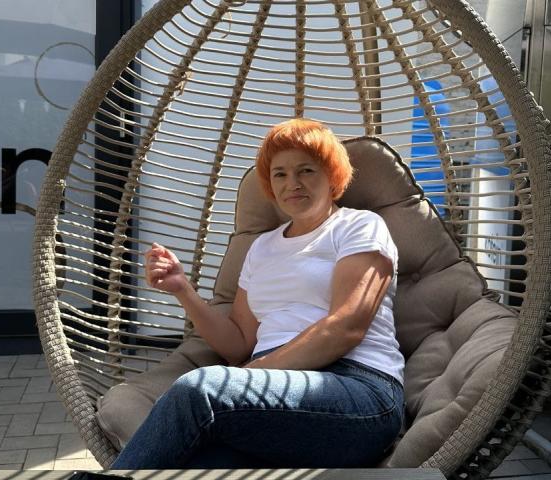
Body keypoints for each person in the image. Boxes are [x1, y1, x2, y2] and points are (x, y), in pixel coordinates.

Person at [110, 118, 405, 469]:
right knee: (193, 464)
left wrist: (250, 373)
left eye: (306, 170)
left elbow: (346, 327)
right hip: (271, 399)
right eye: (280, 174)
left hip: (356, 388)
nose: (292, 183)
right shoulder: (262, 247)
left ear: (332, 175)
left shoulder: (359, 226)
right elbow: (238, 343)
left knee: (199, 388)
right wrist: (183, 290)